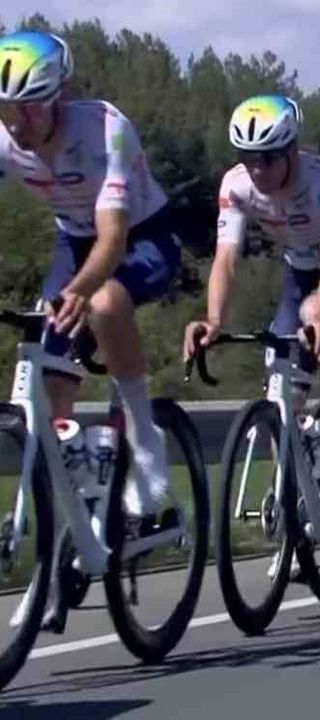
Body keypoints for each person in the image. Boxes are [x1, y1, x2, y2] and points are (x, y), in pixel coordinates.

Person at [0, 30, 185, 529]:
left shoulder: (104, 130)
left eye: (30, 109)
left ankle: (144, 440)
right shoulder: (4, 138)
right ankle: (72, 519)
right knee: (47, 367)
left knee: (103, 302)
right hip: (74, 241)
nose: (16, 123)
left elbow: (113, 238)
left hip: (141, 236)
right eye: (6, 109)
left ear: (59, 96)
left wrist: (79, 291)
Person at [184, 93, 320, 516]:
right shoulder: (236, 185)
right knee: (280, 379)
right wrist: (214, 319)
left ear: (292, 150)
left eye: (268, 158)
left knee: (319, 316)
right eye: (248, 157)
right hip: (300, 270)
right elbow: (226, 259)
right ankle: (294, 498)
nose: (258, 169)